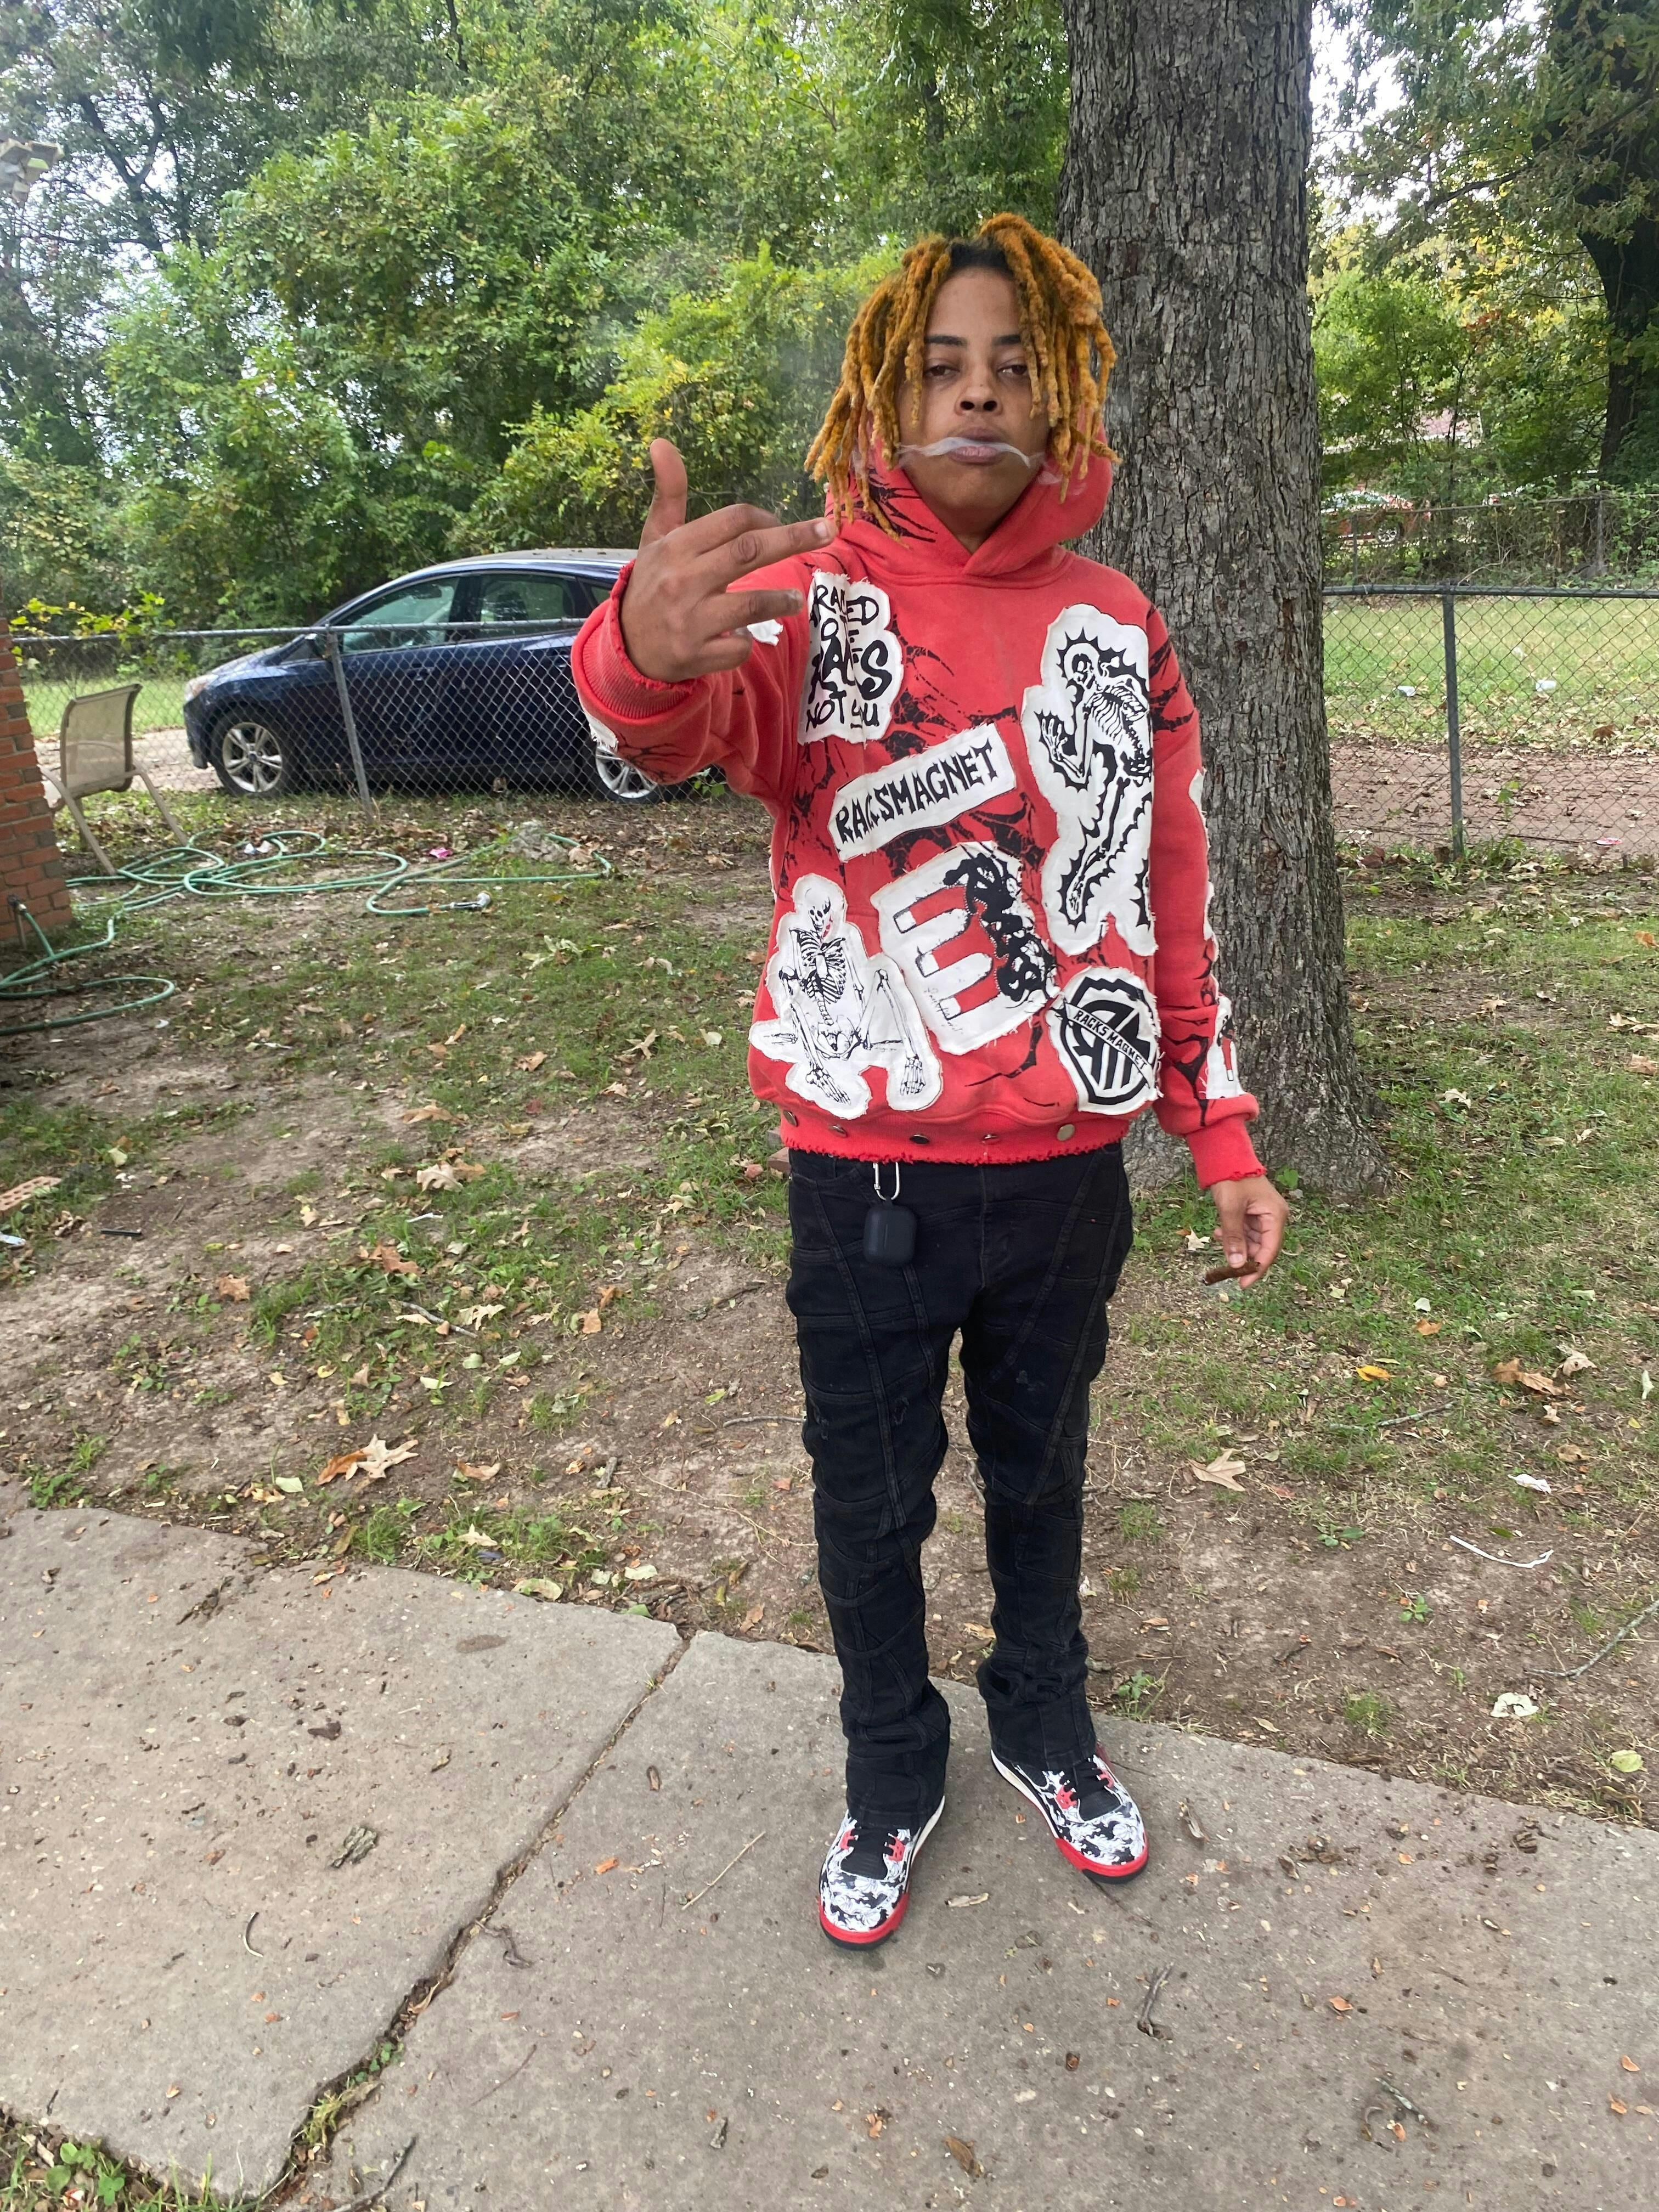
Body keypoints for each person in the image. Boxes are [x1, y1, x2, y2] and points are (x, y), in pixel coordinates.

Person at [571, 212, 1287, 1949]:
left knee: (1043, 1478)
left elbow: (1170, 884)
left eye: (1014, 369)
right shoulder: (810, 605)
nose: (977, 396)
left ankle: (1043, 1725)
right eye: (940, 367)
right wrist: (637, 651)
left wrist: (1219, 1125)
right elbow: (669, 732)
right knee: (872, 1503)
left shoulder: (1119, 624)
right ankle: (891, 1770)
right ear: (885, 402)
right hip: (864, 1177)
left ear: (1064, 397)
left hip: (1064, 1180)